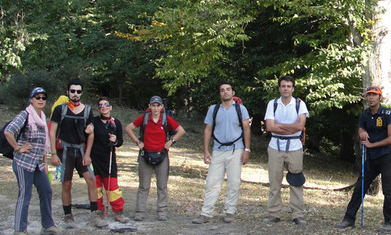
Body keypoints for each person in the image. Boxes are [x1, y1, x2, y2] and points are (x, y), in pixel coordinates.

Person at [336, 85, 391, 233]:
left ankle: (390, 221)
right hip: (371, 157)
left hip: (386, 156)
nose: (371, 98)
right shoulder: (364, 115)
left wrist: (372, 144)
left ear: (379, 97)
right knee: (360, 187)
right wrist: (362, 134)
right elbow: (360, 133)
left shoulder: (387, 113)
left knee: (388, 189)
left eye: (374, 95)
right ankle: (349, 219)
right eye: (369, 95)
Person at [4, 87, 62, 235]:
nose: (41, 100)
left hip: (37, 164)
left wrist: (44, 162)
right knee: (25, 194)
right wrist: (17, 147)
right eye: (37, 97)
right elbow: (8, 131)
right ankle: (19, 229)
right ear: (31, 100)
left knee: (46, 191)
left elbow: (43, 144)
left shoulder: (42, 117)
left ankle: (48, 225)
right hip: (23, 163)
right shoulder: (25, 115)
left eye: (43, 97)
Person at [192, 82, 251, 224]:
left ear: (233, 92)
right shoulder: (214, 109)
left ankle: (230, 211)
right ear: (220, 93)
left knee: (234, 182)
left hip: (236, 149)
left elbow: (246, 130)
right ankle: (206, 212)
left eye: (228, 90)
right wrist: (206, 150)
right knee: (212, 182)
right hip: (218, 150)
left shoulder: (240, 109)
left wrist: (246, 150)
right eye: (222, 90)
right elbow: (208, 129)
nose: (225, 92)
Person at [48, 78, 104, 228]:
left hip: (80, 150)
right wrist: (53, 154)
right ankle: (68, 216)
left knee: (91, 180)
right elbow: (52, 132)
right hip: (64, 151)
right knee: (66, 183)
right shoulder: (60, 109)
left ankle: (94, 215)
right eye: (72, 91)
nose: (75, 94)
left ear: (81, 93)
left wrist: (87, 154)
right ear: (67, 92)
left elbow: (91, 134)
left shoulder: (87, 110)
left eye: (78, 91)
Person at [125, 96, 185, 221]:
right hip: (145, 155)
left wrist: (171, 141)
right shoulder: (145, 118)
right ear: (149, 106)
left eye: (158, 105)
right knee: (143, 186)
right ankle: (139, 212)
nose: (156, 108)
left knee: (162, 186)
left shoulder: (166, 119)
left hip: (161, 156)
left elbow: (181, 130)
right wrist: (138, 142)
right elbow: (128, 128)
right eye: (153, 105)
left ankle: (162, 212)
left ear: (162, 107)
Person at [263, 75, 309, 225]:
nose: (286, 89)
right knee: (274, 181)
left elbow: (299, 126)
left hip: (295, 146)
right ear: (279, 88)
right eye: (283, 86)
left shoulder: (299, 104)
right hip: (275, 146)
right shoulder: (273, 104)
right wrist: (291, 127)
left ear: (293, 88)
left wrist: (280, 126)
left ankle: (297, 214)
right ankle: (274, 213)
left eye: (289, 86)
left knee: (296, 180)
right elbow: (270, 127)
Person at [84, 97, 129, 224]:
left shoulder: (116, 123)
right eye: (101, 105)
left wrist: (115, 140)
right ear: (99, 109)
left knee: (113, 188)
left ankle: (118, 212)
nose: (104, 107)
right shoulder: (93, 121)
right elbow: (86, 136)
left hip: (109, 159)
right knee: (96, 188)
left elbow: (120, 142)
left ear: (110, 107)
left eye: (106, 104)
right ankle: (99, 211)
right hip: (95, 159)